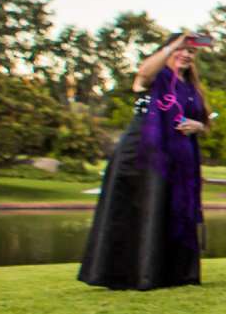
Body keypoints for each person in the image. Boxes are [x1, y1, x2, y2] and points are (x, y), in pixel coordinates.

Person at [79, 32, 209, 290]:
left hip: (178, 159)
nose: (185, 55)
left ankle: (172, 274)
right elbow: (143, 74)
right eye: (180, 50)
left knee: (170, 211)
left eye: (191, 52)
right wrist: (174, 43)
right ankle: (132, 274)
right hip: (143, 154)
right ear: (168, 50)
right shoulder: (155, 78)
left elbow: (204, 122)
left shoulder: (190, 88)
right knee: (142, 210)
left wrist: (199, 126)